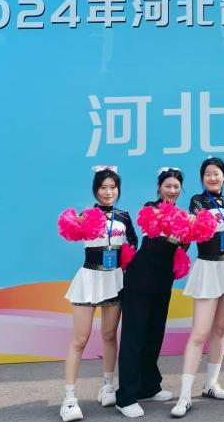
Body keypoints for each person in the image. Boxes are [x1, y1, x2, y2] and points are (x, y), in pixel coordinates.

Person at [61, 167, 138, 422]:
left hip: (113, 280)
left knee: (109, 335)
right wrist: (76, 223)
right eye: (103, 187)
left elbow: (133, 242)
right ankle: (69, 398)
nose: (108, 192)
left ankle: (107, 386)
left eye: (113, 187)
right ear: (95, 190)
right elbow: (72, 232)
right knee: (80, 339)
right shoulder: (87, 215)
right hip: (89, 279)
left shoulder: (124, 216)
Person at [172, 158, 224, 418]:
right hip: (208, 269)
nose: (212, 178)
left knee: (220, 328)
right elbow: (196, 222)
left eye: (217, 173)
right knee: (199, 333)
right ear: (202, 178)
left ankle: (211, 383)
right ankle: (184, 395)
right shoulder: (198, 202)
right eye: (208, 174)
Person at [115, 168, 185, 418]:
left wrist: (191, 227)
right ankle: (125, 397)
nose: (172, 190)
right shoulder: (150, 208)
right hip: (141, 277)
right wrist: (183, 223)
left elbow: (182, 245)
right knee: (134, 334)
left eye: (176, 186)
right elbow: (156, 229)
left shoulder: (182, 214)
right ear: (158, 187)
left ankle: (148, 386)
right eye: (167, 186)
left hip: (163, 278)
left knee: (154, 333)